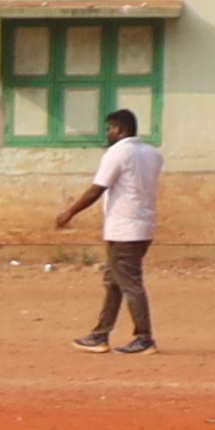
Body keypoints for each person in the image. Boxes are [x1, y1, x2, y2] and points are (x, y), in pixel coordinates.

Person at [75, 102, 160, 350]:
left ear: (119, 129)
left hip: (124, 228)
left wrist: (69, 212)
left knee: (130, 283)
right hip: (143, 226)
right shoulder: (153, 154)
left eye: (109, 129)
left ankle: (144, 338)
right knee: (114, 282)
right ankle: (100, 335)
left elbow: (97, 189)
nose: (107, 134)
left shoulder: (117, 153)